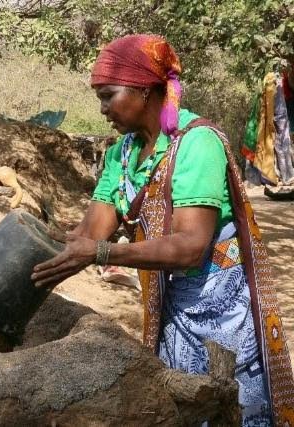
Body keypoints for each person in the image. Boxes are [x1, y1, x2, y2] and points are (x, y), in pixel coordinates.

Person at [31, 34, 294, 425]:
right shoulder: (123, 153)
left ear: (144, 90)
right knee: (181, 403)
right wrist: (39, 255)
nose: (102, 109)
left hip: (222, 317)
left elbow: (190, 246)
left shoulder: (196, 143)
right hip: (173, 310)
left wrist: (102, 254)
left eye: (108, 96)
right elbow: (91, 231)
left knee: (230, 407)